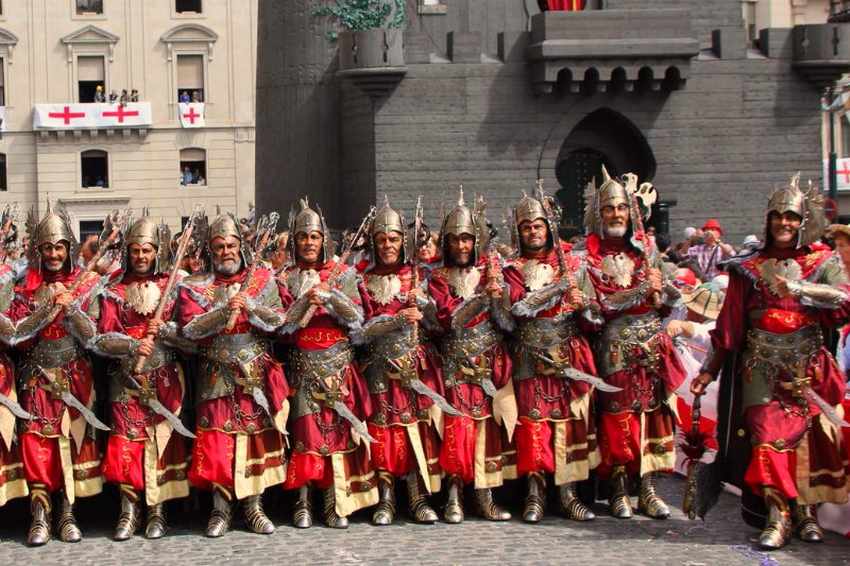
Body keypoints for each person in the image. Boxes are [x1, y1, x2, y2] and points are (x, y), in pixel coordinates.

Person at [692, 174, 850, 550]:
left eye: (792, 216)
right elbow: (730, 326)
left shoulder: (822, 261)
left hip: (808, 367)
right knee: (767, 441)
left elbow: (843, 300)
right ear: (767, 220)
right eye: (778, 215)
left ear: (802, 220)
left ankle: (805, 513)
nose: (784, 222)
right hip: (760, 367)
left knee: (806, 445)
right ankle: (778, 515)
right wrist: (709, 369)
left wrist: (800, 288)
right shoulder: (749, 267)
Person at [66, 215, 192, 540]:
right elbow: (98, 338)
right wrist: (133, 343)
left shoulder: (175, 286)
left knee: (160, 443)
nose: (140, 256)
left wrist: (166, 330)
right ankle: (128, 510)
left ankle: (157, 511)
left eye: (146, 250)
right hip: (125, 378)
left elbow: (192, 337)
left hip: (163, 375)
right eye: (135, 250)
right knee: (127, 446)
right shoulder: (112, 290)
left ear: (156, 251)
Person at [176, 212, 290, 538]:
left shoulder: (261, 280)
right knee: (217, 443)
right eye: (219, 246)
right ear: (210, 250)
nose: (226, 251)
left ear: (240, 246)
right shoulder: (195, 286)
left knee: (253, 439)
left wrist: (251, 307)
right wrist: (223, 311)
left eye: (230, 245)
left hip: (253, 372)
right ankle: (220, 509)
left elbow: (278, 321)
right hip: (215, 375)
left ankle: (254, 507)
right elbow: (190, 328)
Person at [583, 166, 686, 520]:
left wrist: (664, 299)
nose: (616, 214)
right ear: (600, 214)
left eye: (621, 208)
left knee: (652, 418)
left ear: (631, 212)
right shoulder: (589, 257)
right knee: (618, 421)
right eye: (609, 208)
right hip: (614, 349)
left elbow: (674, 301)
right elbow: (595, 307)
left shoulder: (648, 250)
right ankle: (618, 489)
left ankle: (649, 488)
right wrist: (638, 292)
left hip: (651, 348)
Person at [0, 203, 104, 545]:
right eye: (48, 247)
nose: (54, 253)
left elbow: (94, 335)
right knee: (36, 445)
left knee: (71, 444)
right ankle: (40, 514)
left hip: (75, 374)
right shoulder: (25, 287)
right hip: (37, 376)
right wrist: (48, 309)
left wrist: (71, 307)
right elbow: (16, 333)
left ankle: (67, 512)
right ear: (39, 250)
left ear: (68, 248)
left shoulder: (85, 282)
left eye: (59, 247)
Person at [502, 188, 601, 523]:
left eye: (538, 226)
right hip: (530, 354)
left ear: (549, 228)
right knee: (534, 426)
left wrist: (582, 303)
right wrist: (557, 290)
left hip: (568, 353)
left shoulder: (573, 265)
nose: (533, 231)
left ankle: (569, 493)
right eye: (526, 226)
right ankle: (534, 492)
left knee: (569, 425)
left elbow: (595, 318)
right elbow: (517, 308)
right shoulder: (512, 269)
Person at [277, 198, 377, 529]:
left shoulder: (344, 274)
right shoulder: (286, 277)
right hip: (302, 365)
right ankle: (303, 501)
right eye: (303, 237)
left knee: (338, 433)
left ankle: (336, 500)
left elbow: (359, 319)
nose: (308, 243)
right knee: (305, 433)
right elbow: (280, 327)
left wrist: (332, 298)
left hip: (337, 364)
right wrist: (304, 301)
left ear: (324, 240)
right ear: (295, 242)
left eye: (314, 237)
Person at [354, 197, 450, 525]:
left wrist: (424, 305)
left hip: (416, 364)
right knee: (382, 432)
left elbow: (440, 326)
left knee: (416, 431)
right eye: (381, 239)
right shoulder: (362, 279)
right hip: (379, 365)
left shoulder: (420, 275)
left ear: (402, 241)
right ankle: (386, 498)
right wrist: (395, 319)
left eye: (393, 239)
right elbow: (359, 332)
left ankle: (418, 496)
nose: (387, 245)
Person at [427, 191, 516, 523]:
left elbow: (508, 323)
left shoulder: (493, 275)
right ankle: (453, 493)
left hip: (488, 361)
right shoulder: (437, 279)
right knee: (455, 427)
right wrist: (482, 299)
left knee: (486, 428)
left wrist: (498, 298)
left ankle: (485, 495)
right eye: (455, 240)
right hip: (452, 362)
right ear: (447, 243)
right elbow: (448, 318)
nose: (462, 246)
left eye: (467, 239)